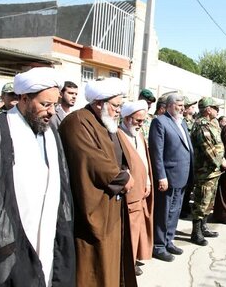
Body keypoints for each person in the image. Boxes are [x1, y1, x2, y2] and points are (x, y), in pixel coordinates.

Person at [0, 67, 76, 286]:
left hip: (46, 229)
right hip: (11, 238)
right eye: (45, 105)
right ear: (24, 99)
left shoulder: (50, 134)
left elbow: (61, 183)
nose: (51, 112)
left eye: (55, 105)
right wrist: (5, 242)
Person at [59, 77, 137, 287]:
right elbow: (91, 160)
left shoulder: (106, 122)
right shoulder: (77, 122)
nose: (119, 110)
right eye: (116, 105)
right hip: (93, 207)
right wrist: (122, 178)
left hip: (112, 203)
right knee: (94, 262)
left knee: (112, 259)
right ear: (99, 102)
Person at [149, 93, 194, 262]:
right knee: (163, 212)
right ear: (169, 105)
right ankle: (158, 245)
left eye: (183, 105)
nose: (182, 108)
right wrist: (161, 176)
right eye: (179, 105)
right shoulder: (160, 122)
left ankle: (169, 240)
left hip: (182, 175)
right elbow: (157, 152)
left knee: (175, 211)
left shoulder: (181, 122)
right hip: (168, 176)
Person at [119, 100, 154, 276]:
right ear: (126, 118)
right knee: (129, 231)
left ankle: (133, 259)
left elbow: (144, 161)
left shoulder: (138, 135)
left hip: (142, 190)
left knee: (139, 228)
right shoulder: (118, 135)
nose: (141, 124)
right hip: (129, 193)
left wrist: (147, 181)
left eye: (143, 121)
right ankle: (127, 264)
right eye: (138, 120)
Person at [190, 97, 226, 244]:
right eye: (215, 108)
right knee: (201, 200)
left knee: (209, 201)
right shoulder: (201, 125)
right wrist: (221, 162)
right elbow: (208, 149)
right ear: (208, 109)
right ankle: (196, 233)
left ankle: (204, 227)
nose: (217, 111)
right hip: (205, 171)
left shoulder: (212, 123)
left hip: (213, 170)